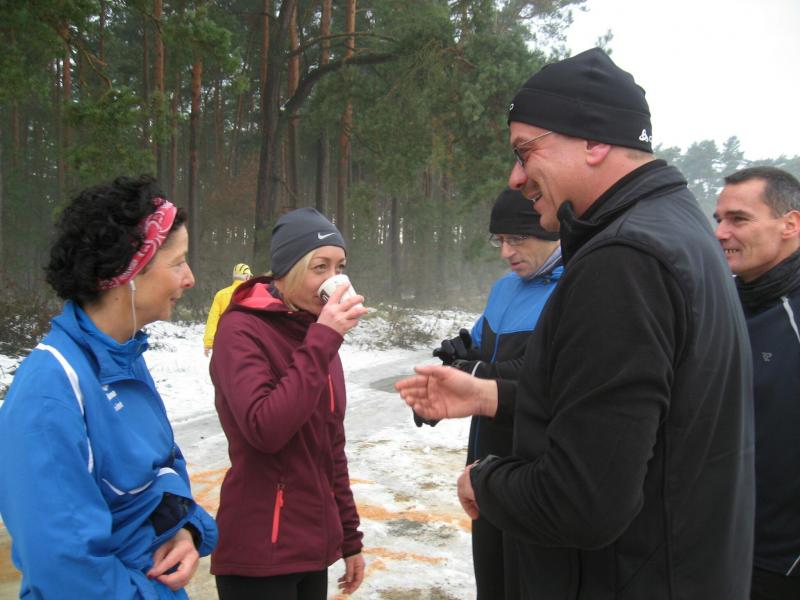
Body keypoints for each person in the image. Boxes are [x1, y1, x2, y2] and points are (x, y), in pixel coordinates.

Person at [396, 47, 755, 598]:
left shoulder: (625, 259)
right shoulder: (679, 230)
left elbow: (582, 501)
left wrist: (485, 481)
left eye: (525, 151)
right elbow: (638, 411)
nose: (516, 177)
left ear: (595, 142)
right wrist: (491, 394)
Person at [0, 175, 218, 599]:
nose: (190, 279)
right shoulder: (48, 395)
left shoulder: (123, 358)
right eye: (178, 263)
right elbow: (68, 572)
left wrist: (184, 529)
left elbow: (163, 466)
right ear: (127, 273)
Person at [209, 207, 368, 599]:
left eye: (340, 267)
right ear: (288, 270)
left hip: (312, 549)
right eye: (320, 267)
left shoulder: (316, 333)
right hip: (259, 551)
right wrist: (323, 339)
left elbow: (330, 447)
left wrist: (350, 538)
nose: (333, 279)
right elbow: (266, 429)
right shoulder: (241, 329)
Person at [421, 187, 561, 599]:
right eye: (499, 239)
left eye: (517, 238)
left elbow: (548, 376)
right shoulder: (506, 287)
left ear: (551, 230)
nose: (505, 252)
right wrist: (456, 359)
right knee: (492, 582)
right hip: (485, 468)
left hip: (537, 474)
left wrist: (476, 373)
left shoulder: (576, 289)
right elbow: (481, 346)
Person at [714, 166, 800, 599]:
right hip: (711, 543)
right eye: (719, 220)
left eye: (739, 219)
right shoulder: (717, 302)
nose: (721, 233)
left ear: (790, 224)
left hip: (781, 562)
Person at [203, 262, 252, 356]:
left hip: (224, 340)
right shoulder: (252, 294)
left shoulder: (221, 295)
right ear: (246, 277)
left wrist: (208, 343)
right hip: (245, 341)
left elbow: (212, 319)